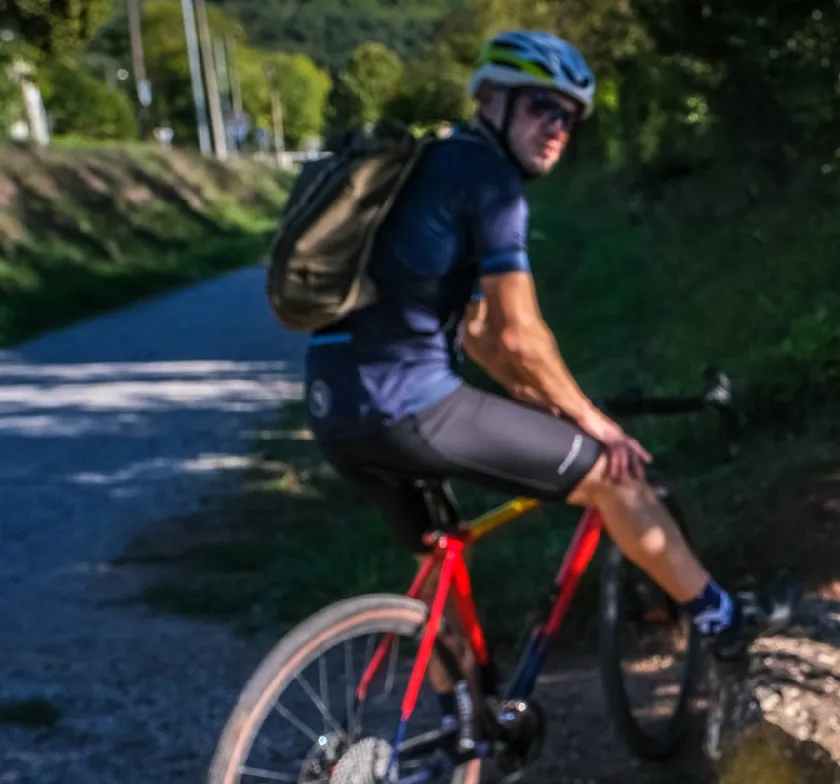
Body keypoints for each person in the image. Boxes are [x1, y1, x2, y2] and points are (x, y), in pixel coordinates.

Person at [302, 30, 789, 663]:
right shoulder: (490, 180)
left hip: (332, 406)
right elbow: (518, 332)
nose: (558, 128)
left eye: (570, 118)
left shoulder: (430, 166)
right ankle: (725, 621)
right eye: (543, 107)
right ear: (492, 100)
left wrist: (541, 402)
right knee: (615, 478)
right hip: (410, 405)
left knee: (437, 555)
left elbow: (476, 335)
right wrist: (593, 422)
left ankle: (463, 734)